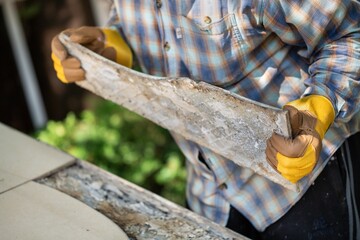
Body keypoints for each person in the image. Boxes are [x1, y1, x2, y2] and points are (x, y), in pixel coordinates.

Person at [51, 1, 360, 239]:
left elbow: (348, 35)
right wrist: (111, 47)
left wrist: (318, 109)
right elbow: (150, 31)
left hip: (307, 189)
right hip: (208, 199)